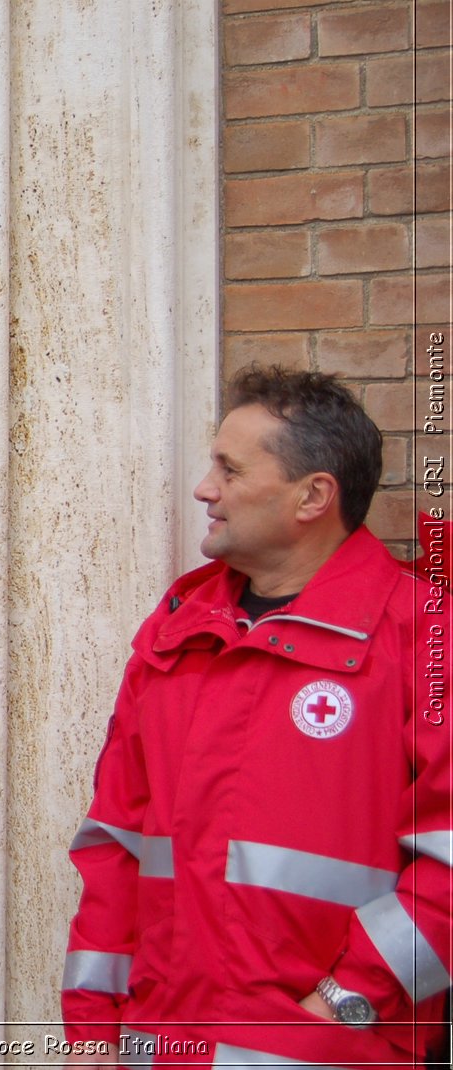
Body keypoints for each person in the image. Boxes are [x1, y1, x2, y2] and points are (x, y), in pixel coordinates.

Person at [62, 367, 451, 1066]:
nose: (204, 490)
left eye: (230, 470)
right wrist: (92, 1028)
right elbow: (116, 843)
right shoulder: (177, 631)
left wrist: (346, 1002)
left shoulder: (422, 637)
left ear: (313, 496)